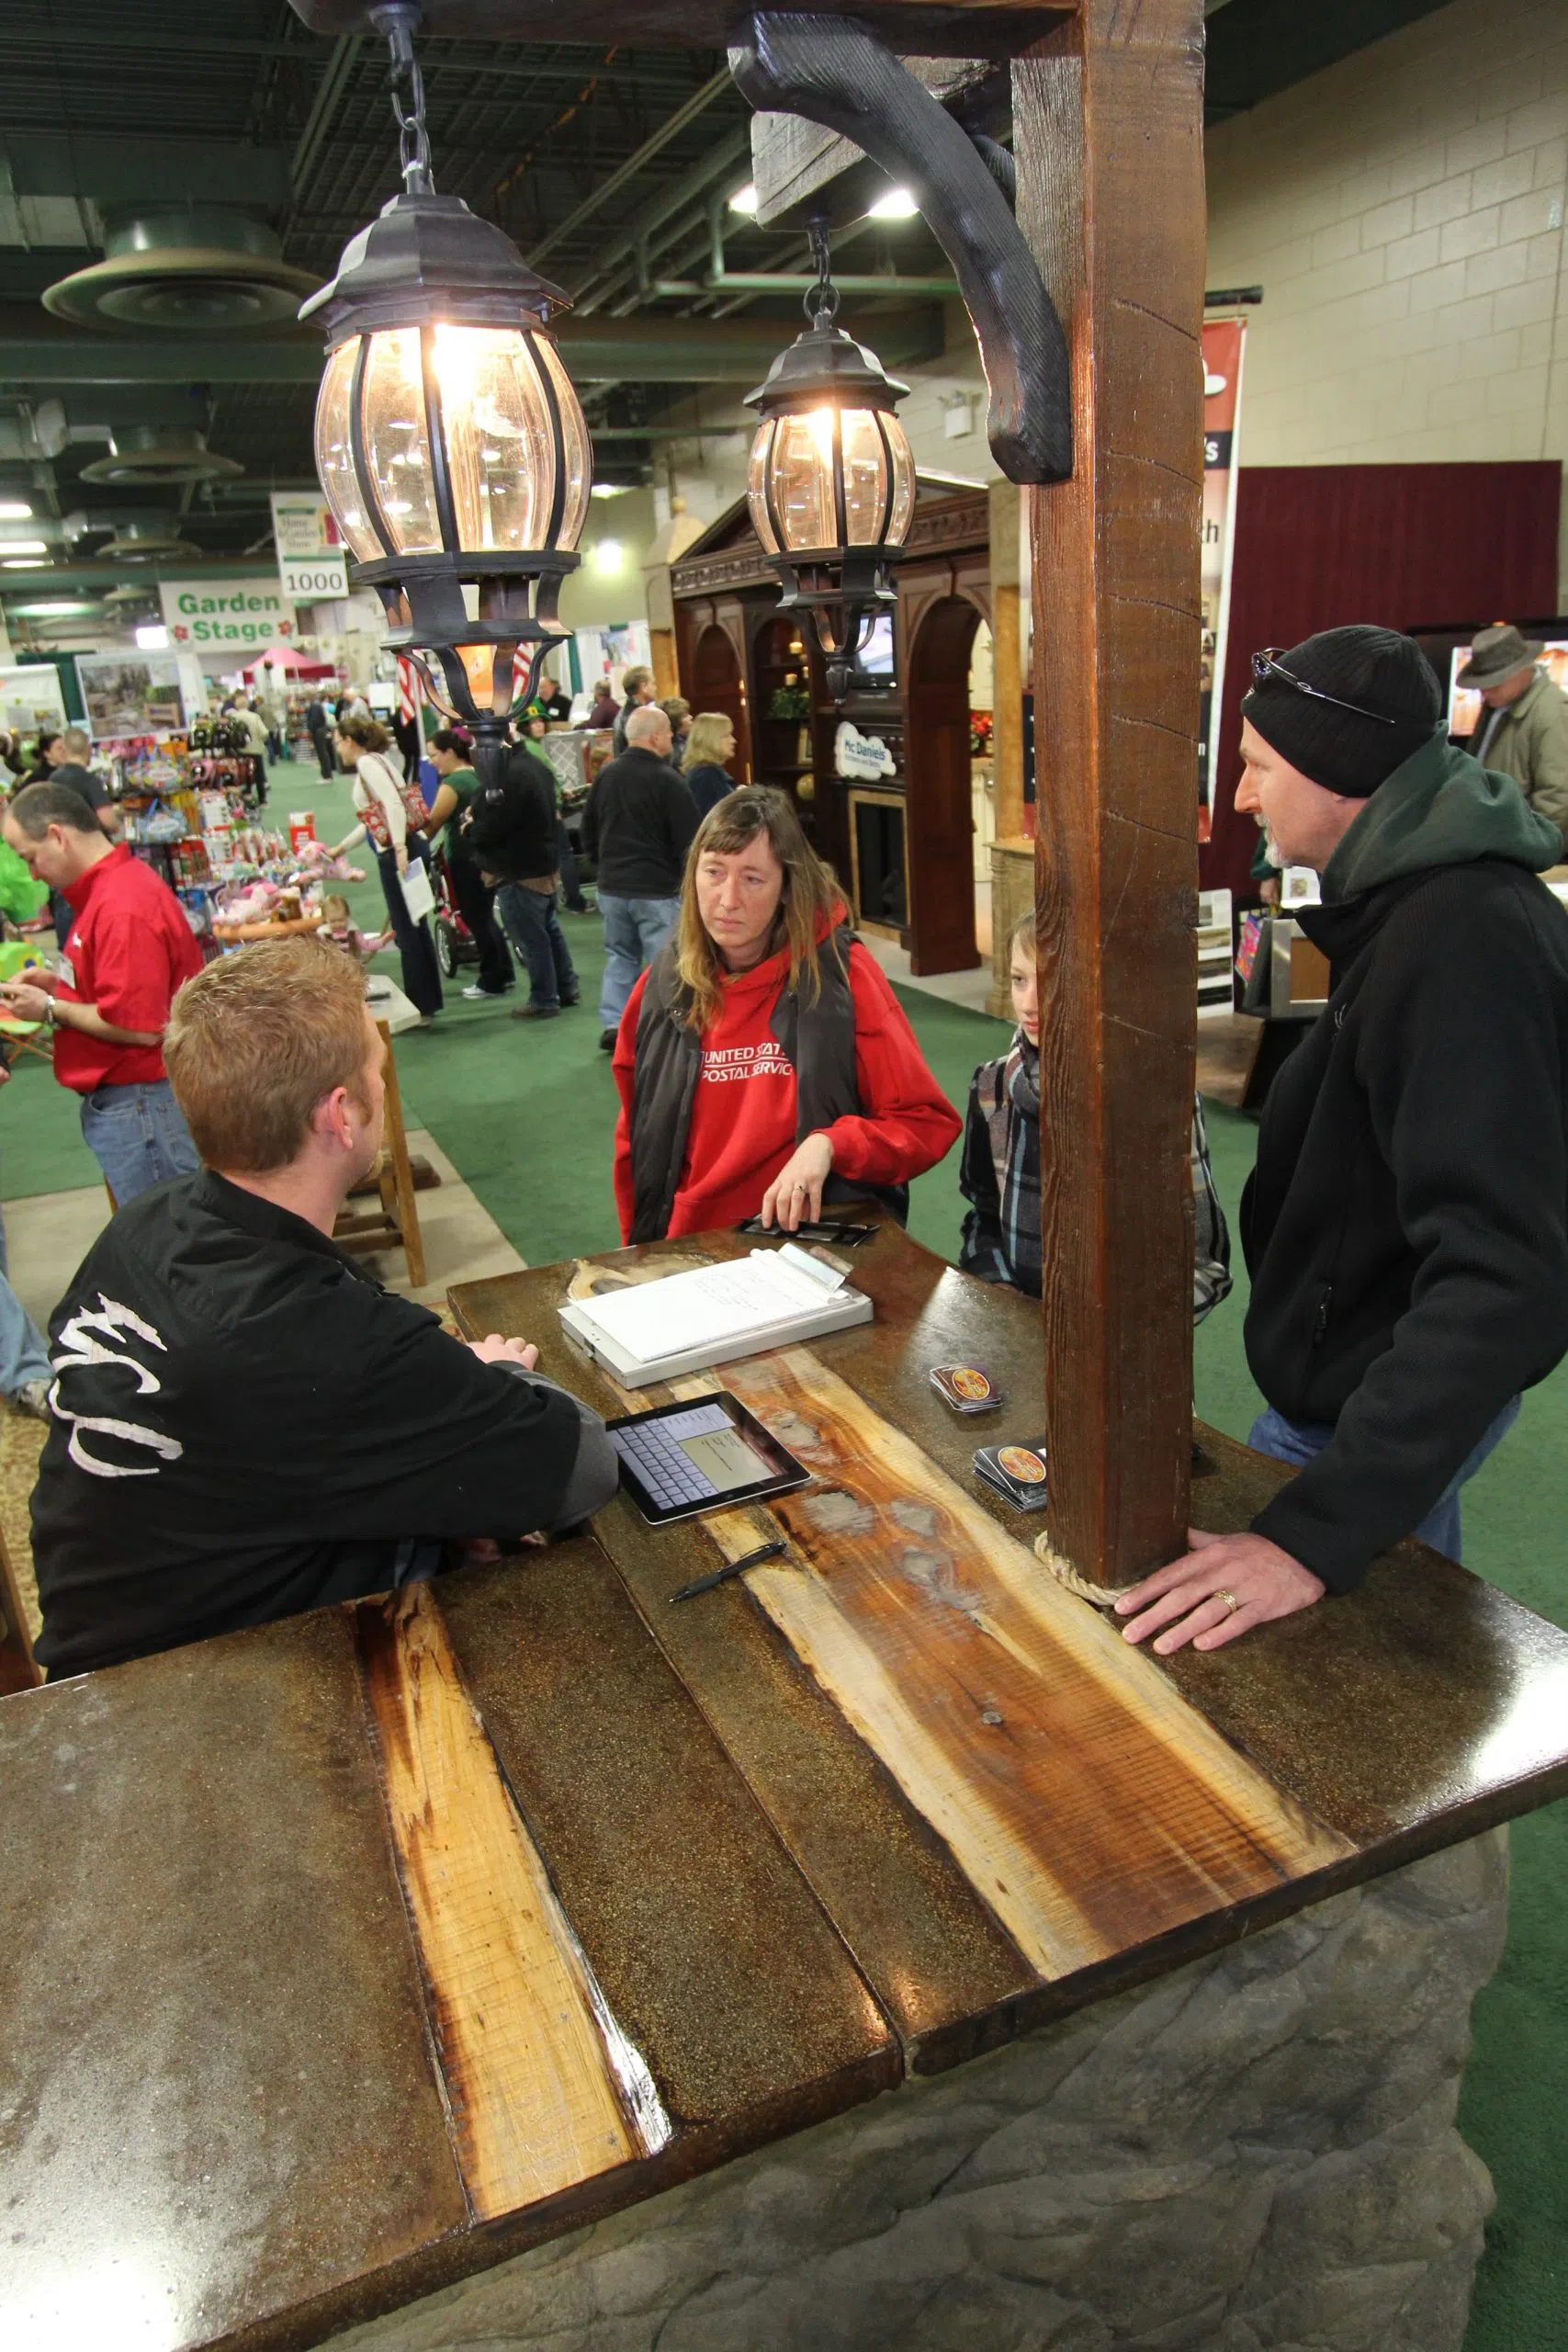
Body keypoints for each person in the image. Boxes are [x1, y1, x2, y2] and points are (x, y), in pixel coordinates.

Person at [1116, 625, 1568, 1658]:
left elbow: (1507, 1275)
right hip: (1361, 1375)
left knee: (1324, 1662)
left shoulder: (1460, 940)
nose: (1242, 797)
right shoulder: (1418, 905)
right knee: (1404, 1621)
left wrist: (1313, 1534)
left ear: (1338, 774)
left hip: (1365, 1405)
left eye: (1258, 767)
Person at [28, 936, 618, 1679]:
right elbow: (580, 1467)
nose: (383, 1083)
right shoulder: (318, 1340)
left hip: (113, 1639)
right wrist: (500, 1374)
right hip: (196, 1692)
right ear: (341, 1115)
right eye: (377, 1070)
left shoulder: (148, 1222)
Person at [613, 785, 960, 1241]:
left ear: (786, 887)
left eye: (753, 879)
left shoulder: (843, 977)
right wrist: (638, 1254)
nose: (728, 899)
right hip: (688, 1243)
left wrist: (831, 1144)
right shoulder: (661, 986)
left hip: (804, 1246)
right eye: (714, 872)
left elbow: (924, 1121)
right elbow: (635, 1142)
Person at [959, 912, 1231, 1319]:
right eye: (1019, 979)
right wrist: (1002, 1292)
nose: (1029, 1004)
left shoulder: (1154, 1095)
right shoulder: (991, 1085)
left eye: (1050, 980)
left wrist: (1133, 1326)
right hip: (1020, 1323)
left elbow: (1202, 1261)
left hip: (1121, 1333)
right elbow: (983, 1216)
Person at [0, 782, 202, 1204]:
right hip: (139, 1102)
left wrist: (51, 1007)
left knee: (163, 1231)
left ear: (57, 836)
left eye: (31, 858)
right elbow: (120, 992)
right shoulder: (109, 891)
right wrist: (58, 988)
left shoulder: (121, 904)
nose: (33, 874)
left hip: (143, 1100)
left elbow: (139, 1027)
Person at [582, 705, 700, 1049]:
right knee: (665, 961)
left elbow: (588, 829)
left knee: (620, 956)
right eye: (669, 734)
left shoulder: (606, 775)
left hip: (612, 885)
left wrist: (603, 866)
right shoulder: (669, 780)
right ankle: (672, 1025)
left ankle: (615, 1023)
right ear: (656, 737)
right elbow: (689, 840)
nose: (672, 739)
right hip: (657, 889)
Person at [324, 714, 443, 1021]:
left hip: (398, 851)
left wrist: (399, 848)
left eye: (338, 742)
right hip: (406, 845)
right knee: (416, 926)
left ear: (349, 741)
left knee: (407, 930)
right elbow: (376, 818)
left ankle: (420, 1005)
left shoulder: (367, 763)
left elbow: (392, 804)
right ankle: (427, 1002)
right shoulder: (378, 760)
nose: (337, 749)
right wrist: (341, 848)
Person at [462, 729, 581, 1021]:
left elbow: (494, 826)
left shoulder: (507, 776)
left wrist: (470, 829)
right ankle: (565, 987)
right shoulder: (533, 764)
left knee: (531, 938)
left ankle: (544, 998)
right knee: (548, 929)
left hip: (518, 869)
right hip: (541, 863)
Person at [425, 729, 516, 1001]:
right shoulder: (478, 774)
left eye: (434, 755)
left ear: (449, 753)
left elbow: (433, 824)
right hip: (486, 856)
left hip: (465, 859)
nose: (431, 762)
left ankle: (491, 980)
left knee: (477, 919)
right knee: (486, 917)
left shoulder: (452, 784)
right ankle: (504, 971)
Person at [1456, 623, 1568, 833]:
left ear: (1522, 670)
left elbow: (1557, 798)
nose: (1484, 693)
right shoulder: (1497, 703)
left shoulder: (1554, 712)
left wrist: (1529, 847)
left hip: (1517, 844)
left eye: (1494, 684)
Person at [682, 711, 739, 817]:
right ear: (710, 740)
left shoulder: (708, 772)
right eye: (726, 736)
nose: (733, 740)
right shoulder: (705, 775)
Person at [612, 664, 656, 756]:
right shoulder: (638, 717)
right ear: (644, 687)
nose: (656, 688)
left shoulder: (625, 713)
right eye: (653, 683)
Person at [305, 694, 334, 781]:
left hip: (318, 732)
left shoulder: (315, 706)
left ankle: (327, 776)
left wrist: (310, 729)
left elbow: (314, 720)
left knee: (322, 754)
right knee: (322, 754)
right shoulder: (317, 705)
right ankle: (325, 775)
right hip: (320, 731)